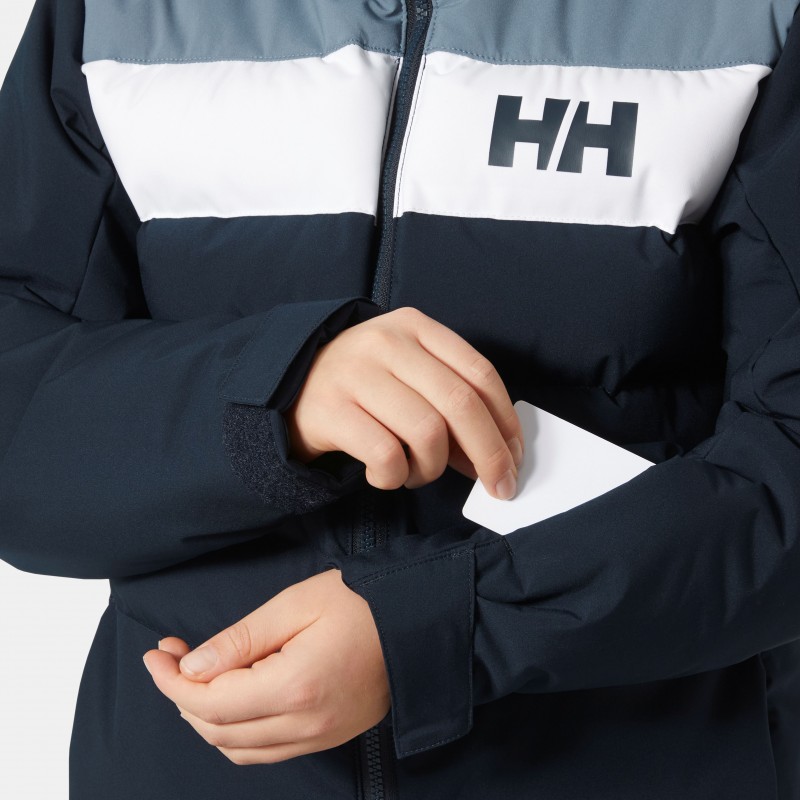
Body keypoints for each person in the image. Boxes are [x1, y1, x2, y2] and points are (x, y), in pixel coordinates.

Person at [2, 0, 799, 798]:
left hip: (637, 758)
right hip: (184, 767)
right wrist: (276, 393)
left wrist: (436, 631)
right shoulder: (114, 14)